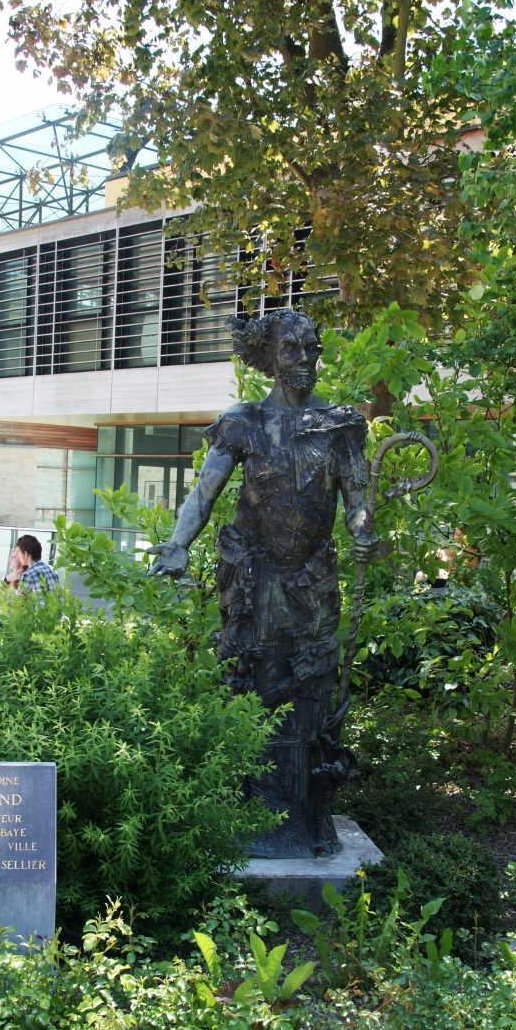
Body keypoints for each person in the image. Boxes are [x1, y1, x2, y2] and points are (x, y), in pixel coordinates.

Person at [150, 307, 378, 858]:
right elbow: (204, 494)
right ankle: (252, 812)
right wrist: (178, 543)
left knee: (313, 691)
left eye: (312, 348)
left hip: (312, 582)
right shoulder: (244, 423)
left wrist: (363, 530)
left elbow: (356, 501)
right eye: (292, 349)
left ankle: (309, 821)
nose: (305, 359)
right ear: (269, 357)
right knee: (251, 685)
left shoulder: (341, 425)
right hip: (254, 579)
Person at [14, 535, 59, 600]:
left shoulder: (28, 574)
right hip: (56, 609)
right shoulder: (51, 569)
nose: (18, 555)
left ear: (26, 554)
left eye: (19, 552)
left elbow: (18, 602)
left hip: (40, 610)